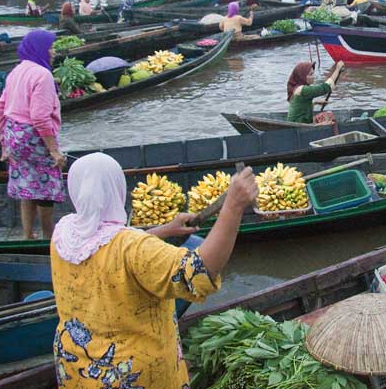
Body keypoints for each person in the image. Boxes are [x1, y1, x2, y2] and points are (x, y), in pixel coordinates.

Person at [50, 152, 258, 388]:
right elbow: (199, 273)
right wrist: (233, 206)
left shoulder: (64, 233)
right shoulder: (132, 248)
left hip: (77, 367)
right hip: (129, 375)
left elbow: (107, 249)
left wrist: (166, 230)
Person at [0, 30, 66, 240]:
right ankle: (48, 235)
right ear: (39, 49)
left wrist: (4, 143)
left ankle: (27, 234)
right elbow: (40, 117)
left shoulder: (16, 71)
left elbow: (1, 106)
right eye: (50, 48)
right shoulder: (42, 75)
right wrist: (54, 151)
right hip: (32, 137)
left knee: (26, 184)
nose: (53, 52)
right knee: (45, 185)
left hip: (13, 134)